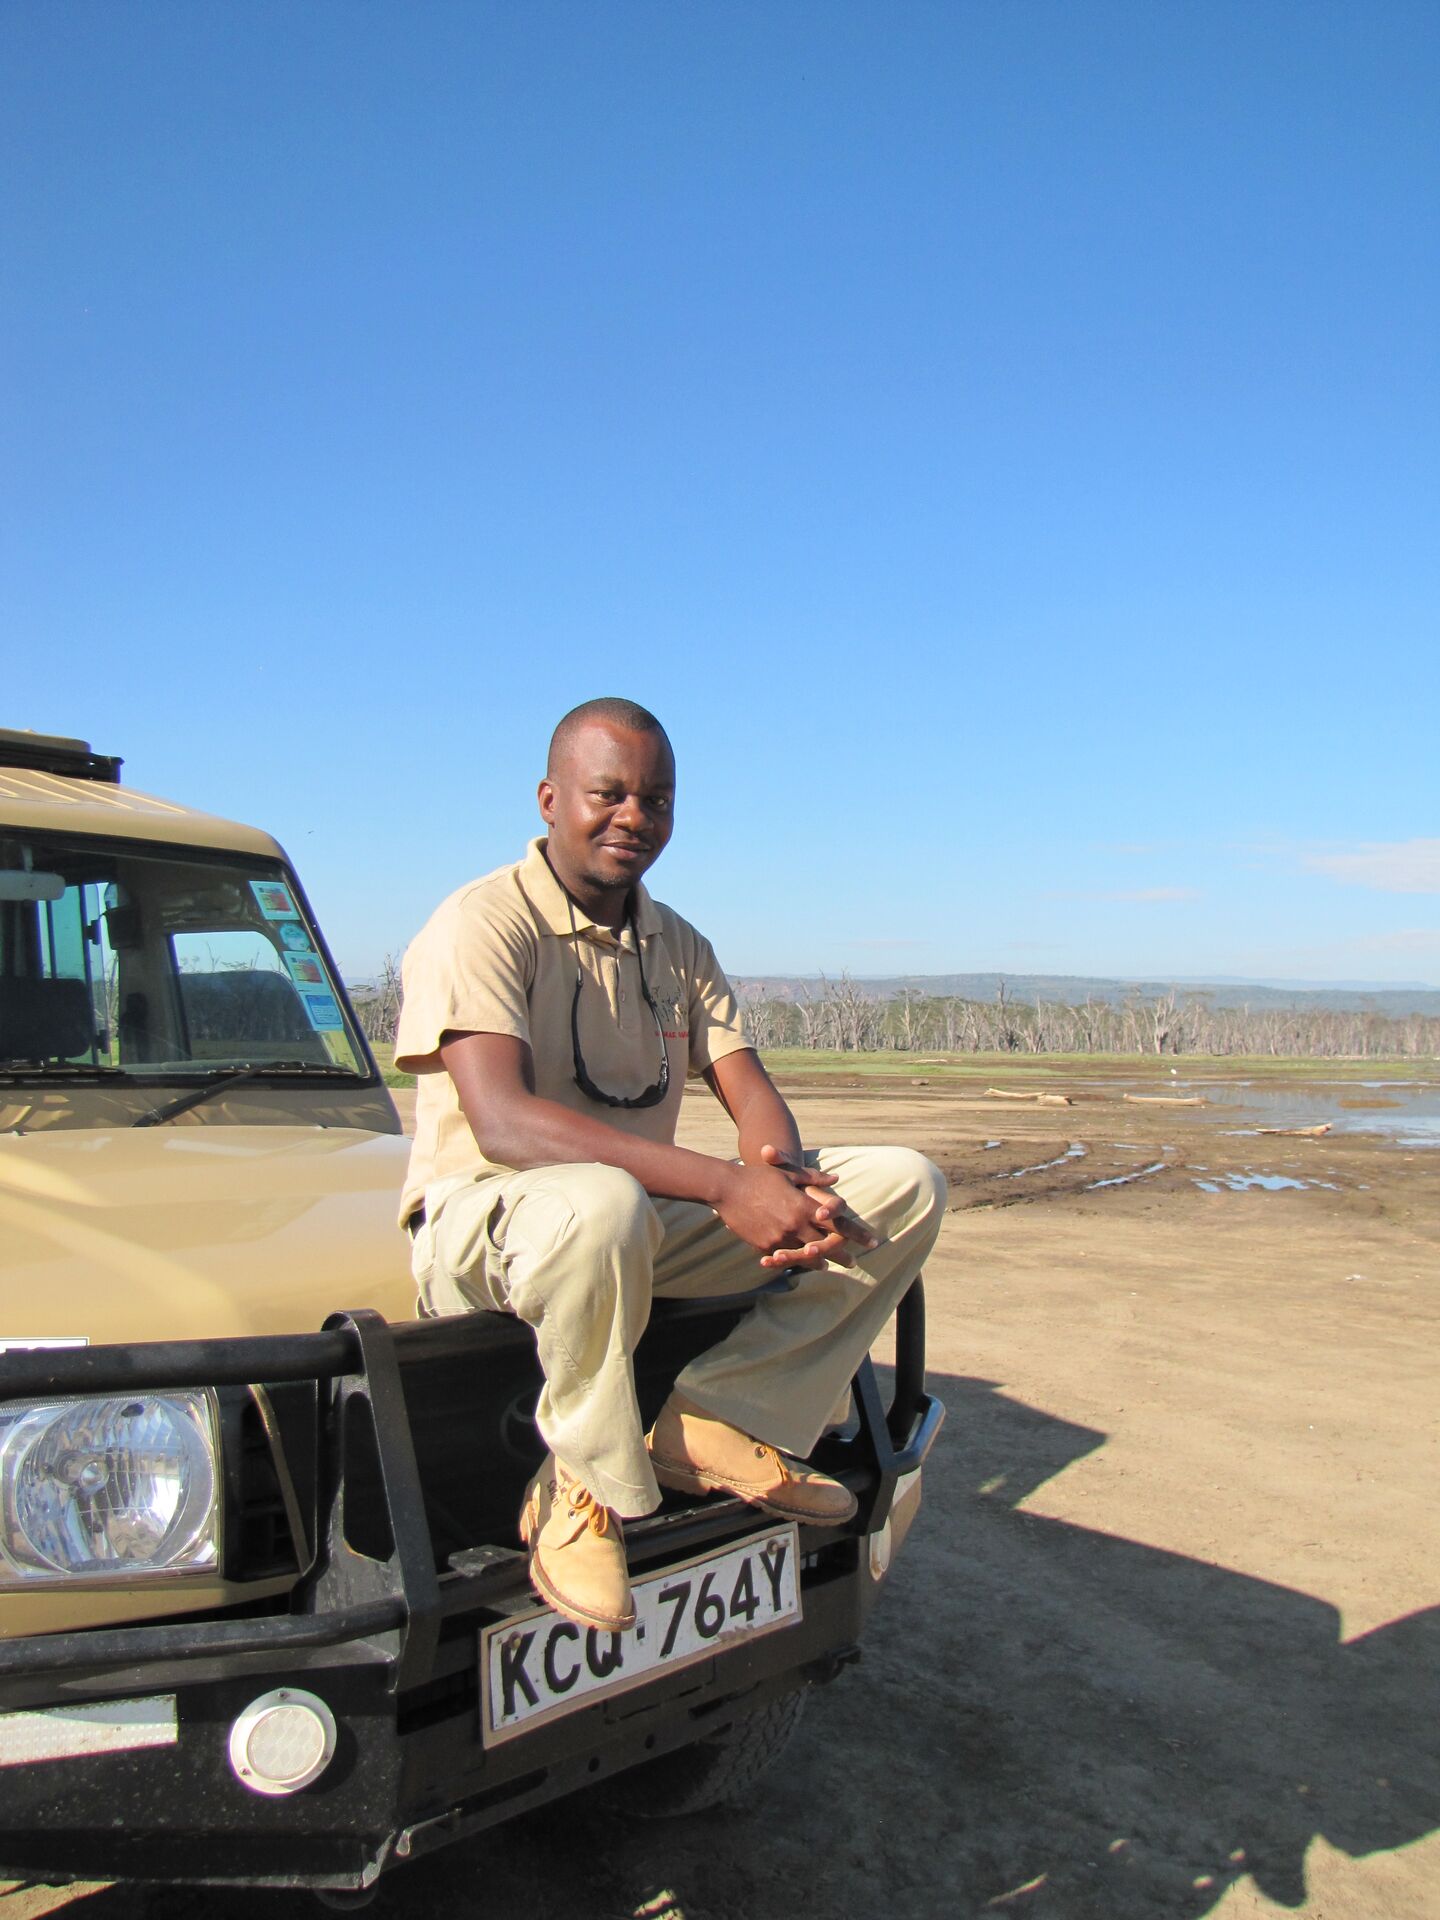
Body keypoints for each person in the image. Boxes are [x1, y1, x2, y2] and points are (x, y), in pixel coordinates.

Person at [394, 698, 946, 1633]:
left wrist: (783, 1178)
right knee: (599, 1204)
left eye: (656, 799)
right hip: (484, 1226)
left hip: (630, 1223)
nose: (634, 819)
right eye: (607, 794)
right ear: (548, 798)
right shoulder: (481, 922)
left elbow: (746, 1085)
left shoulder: (676, 943)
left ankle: (720, 1420)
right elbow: (505, 1124)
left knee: (901, 1185)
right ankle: (577, 1492)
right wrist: (728, 1188)